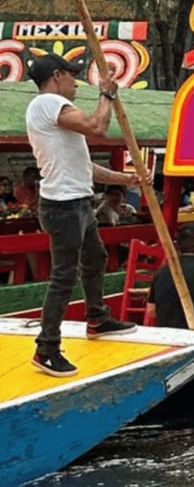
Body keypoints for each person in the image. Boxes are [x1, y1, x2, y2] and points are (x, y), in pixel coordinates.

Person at [24, 54, 140, 376]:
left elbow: (85, 169)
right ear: (57, 76)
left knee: (96, 258)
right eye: (72, 77)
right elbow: (98, 127)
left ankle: (97, 317)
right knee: (64, 276)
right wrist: (107, 94)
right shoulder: (47, 102)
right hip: (62, 207)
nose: (76, 84)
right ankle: (47, 348)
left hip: (78, 202)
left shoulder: (59, 120)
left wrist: (125, 179)